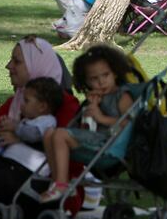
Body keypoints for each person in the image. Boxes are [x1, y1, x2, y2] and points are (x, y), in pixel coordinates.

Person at [0, 37, 80, 219]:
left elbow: (68, 156)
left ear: (35, 65)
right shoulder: (15, 103)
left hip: (33, 182)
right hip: (1, 168)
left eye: (17, 61)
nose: (9, 66)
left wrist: (19, 137)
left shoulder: (65, 107)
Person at [41, 45, 134, 202]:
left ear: (115, 73)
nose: (101, 82)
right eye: (94, 79)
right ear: (86, 81)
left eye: (106, 75)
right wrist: (92, 106)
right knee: (50, 133)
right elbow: (88, 125)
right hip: (96, 140)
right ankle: (58, 181)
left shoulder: (123, 97)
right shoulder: (98, 96)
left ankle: (62, 184)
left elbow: (130, 124)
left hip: (110, 146)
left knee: (60, 134)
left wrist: (101, 117)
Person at [0, 77, 61, 157]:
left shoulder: (47, 121)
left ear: (42, 107)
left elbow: (32, 135)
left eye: (26, 101)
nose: (22, 104)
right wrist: (5, 127)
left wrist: (14, 127)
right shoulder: (28, 120)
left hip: (30, 165)